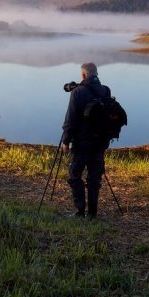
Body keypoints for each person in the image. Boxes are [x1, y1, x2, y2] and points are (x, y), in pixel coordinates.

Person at [61, 62, 111, 219]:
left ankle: (80, 212)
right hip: (100, 143)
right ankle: (92, 214)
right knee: (94, 177)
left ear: (83, 75)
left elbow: (71, 119)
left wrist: (65, 141)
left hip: (82, 143)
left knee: (74, 175)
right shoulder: (105, 91)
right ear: (96, 73)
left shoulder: (78, 92)